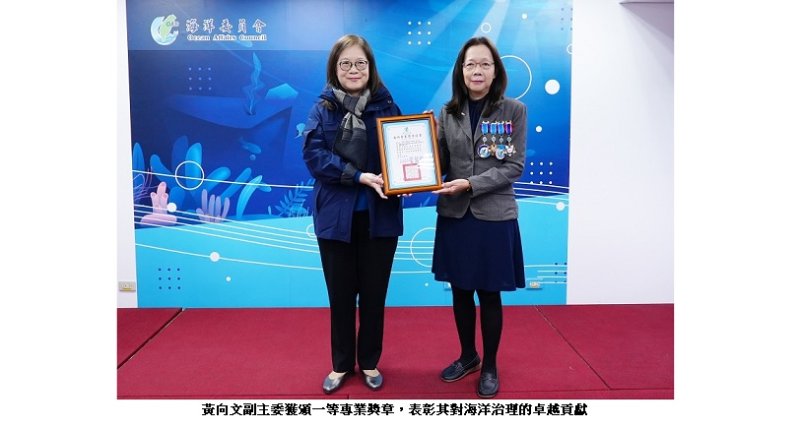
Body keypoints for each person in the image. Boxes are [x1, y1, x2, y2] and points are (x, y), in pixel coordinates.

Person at [302, 34, 403, 394]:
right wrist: (358, 176)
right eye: (345, 63)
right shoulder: (322, 109)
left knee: (374, 296)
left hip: (380, 218)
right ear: (335, 68)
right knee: (341, 297)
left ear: (371, 67)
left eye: (361, 63)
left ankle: (370, 361)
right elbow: (315, 157)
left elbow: (402, 155)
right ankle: (341, 364)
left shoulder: (388, 107)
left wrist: (408, 178)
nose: (353, 69)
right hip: (335, 218)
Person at [431, 36, 527, 399]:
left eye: (485, 64)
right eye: (470, 64)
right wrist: (420, 153)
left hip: (493, 216)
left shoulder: (513, 110)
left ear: (495, 70)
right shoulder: (447, 112)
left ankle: (489, 365)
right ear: (461, 70)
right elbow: (440, 162)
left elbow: (513, 166)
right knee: (460, 291)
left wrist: (470, 184)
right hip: (456, 215)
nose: (477, 70)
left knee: (488, 293)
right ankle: (468, 356)